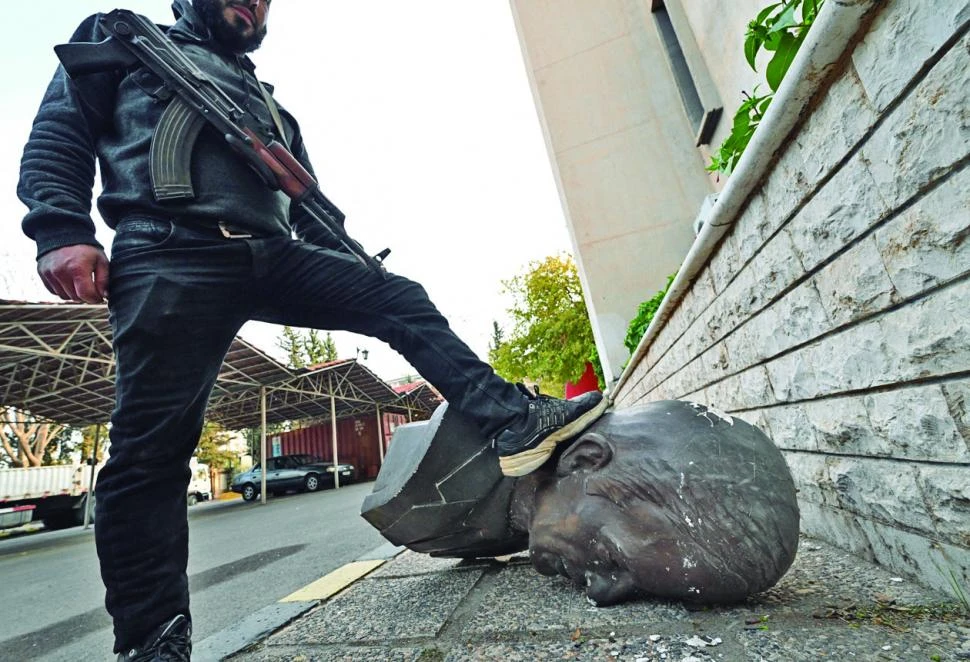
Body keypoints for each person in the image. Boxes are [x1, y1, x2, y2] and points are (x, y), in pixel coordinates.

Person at [16, 1, 607, 659]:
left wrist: (346, 254)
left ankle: (511, 422)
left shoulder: (269, 107)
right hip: (167, 248)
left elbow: (310, 210)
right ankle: (151, 643)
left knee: (397, 298)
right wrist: (60, 229)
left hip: (269, 253)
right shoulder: (124, 37)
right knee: (150, 453)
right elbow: (60, 133)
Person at [363, 400, 800, 608]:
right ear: (585, 460)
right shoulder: (424, 488)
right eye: (612, 557)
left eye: (643, 590)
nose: (601, 592)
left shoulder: (498, 521)